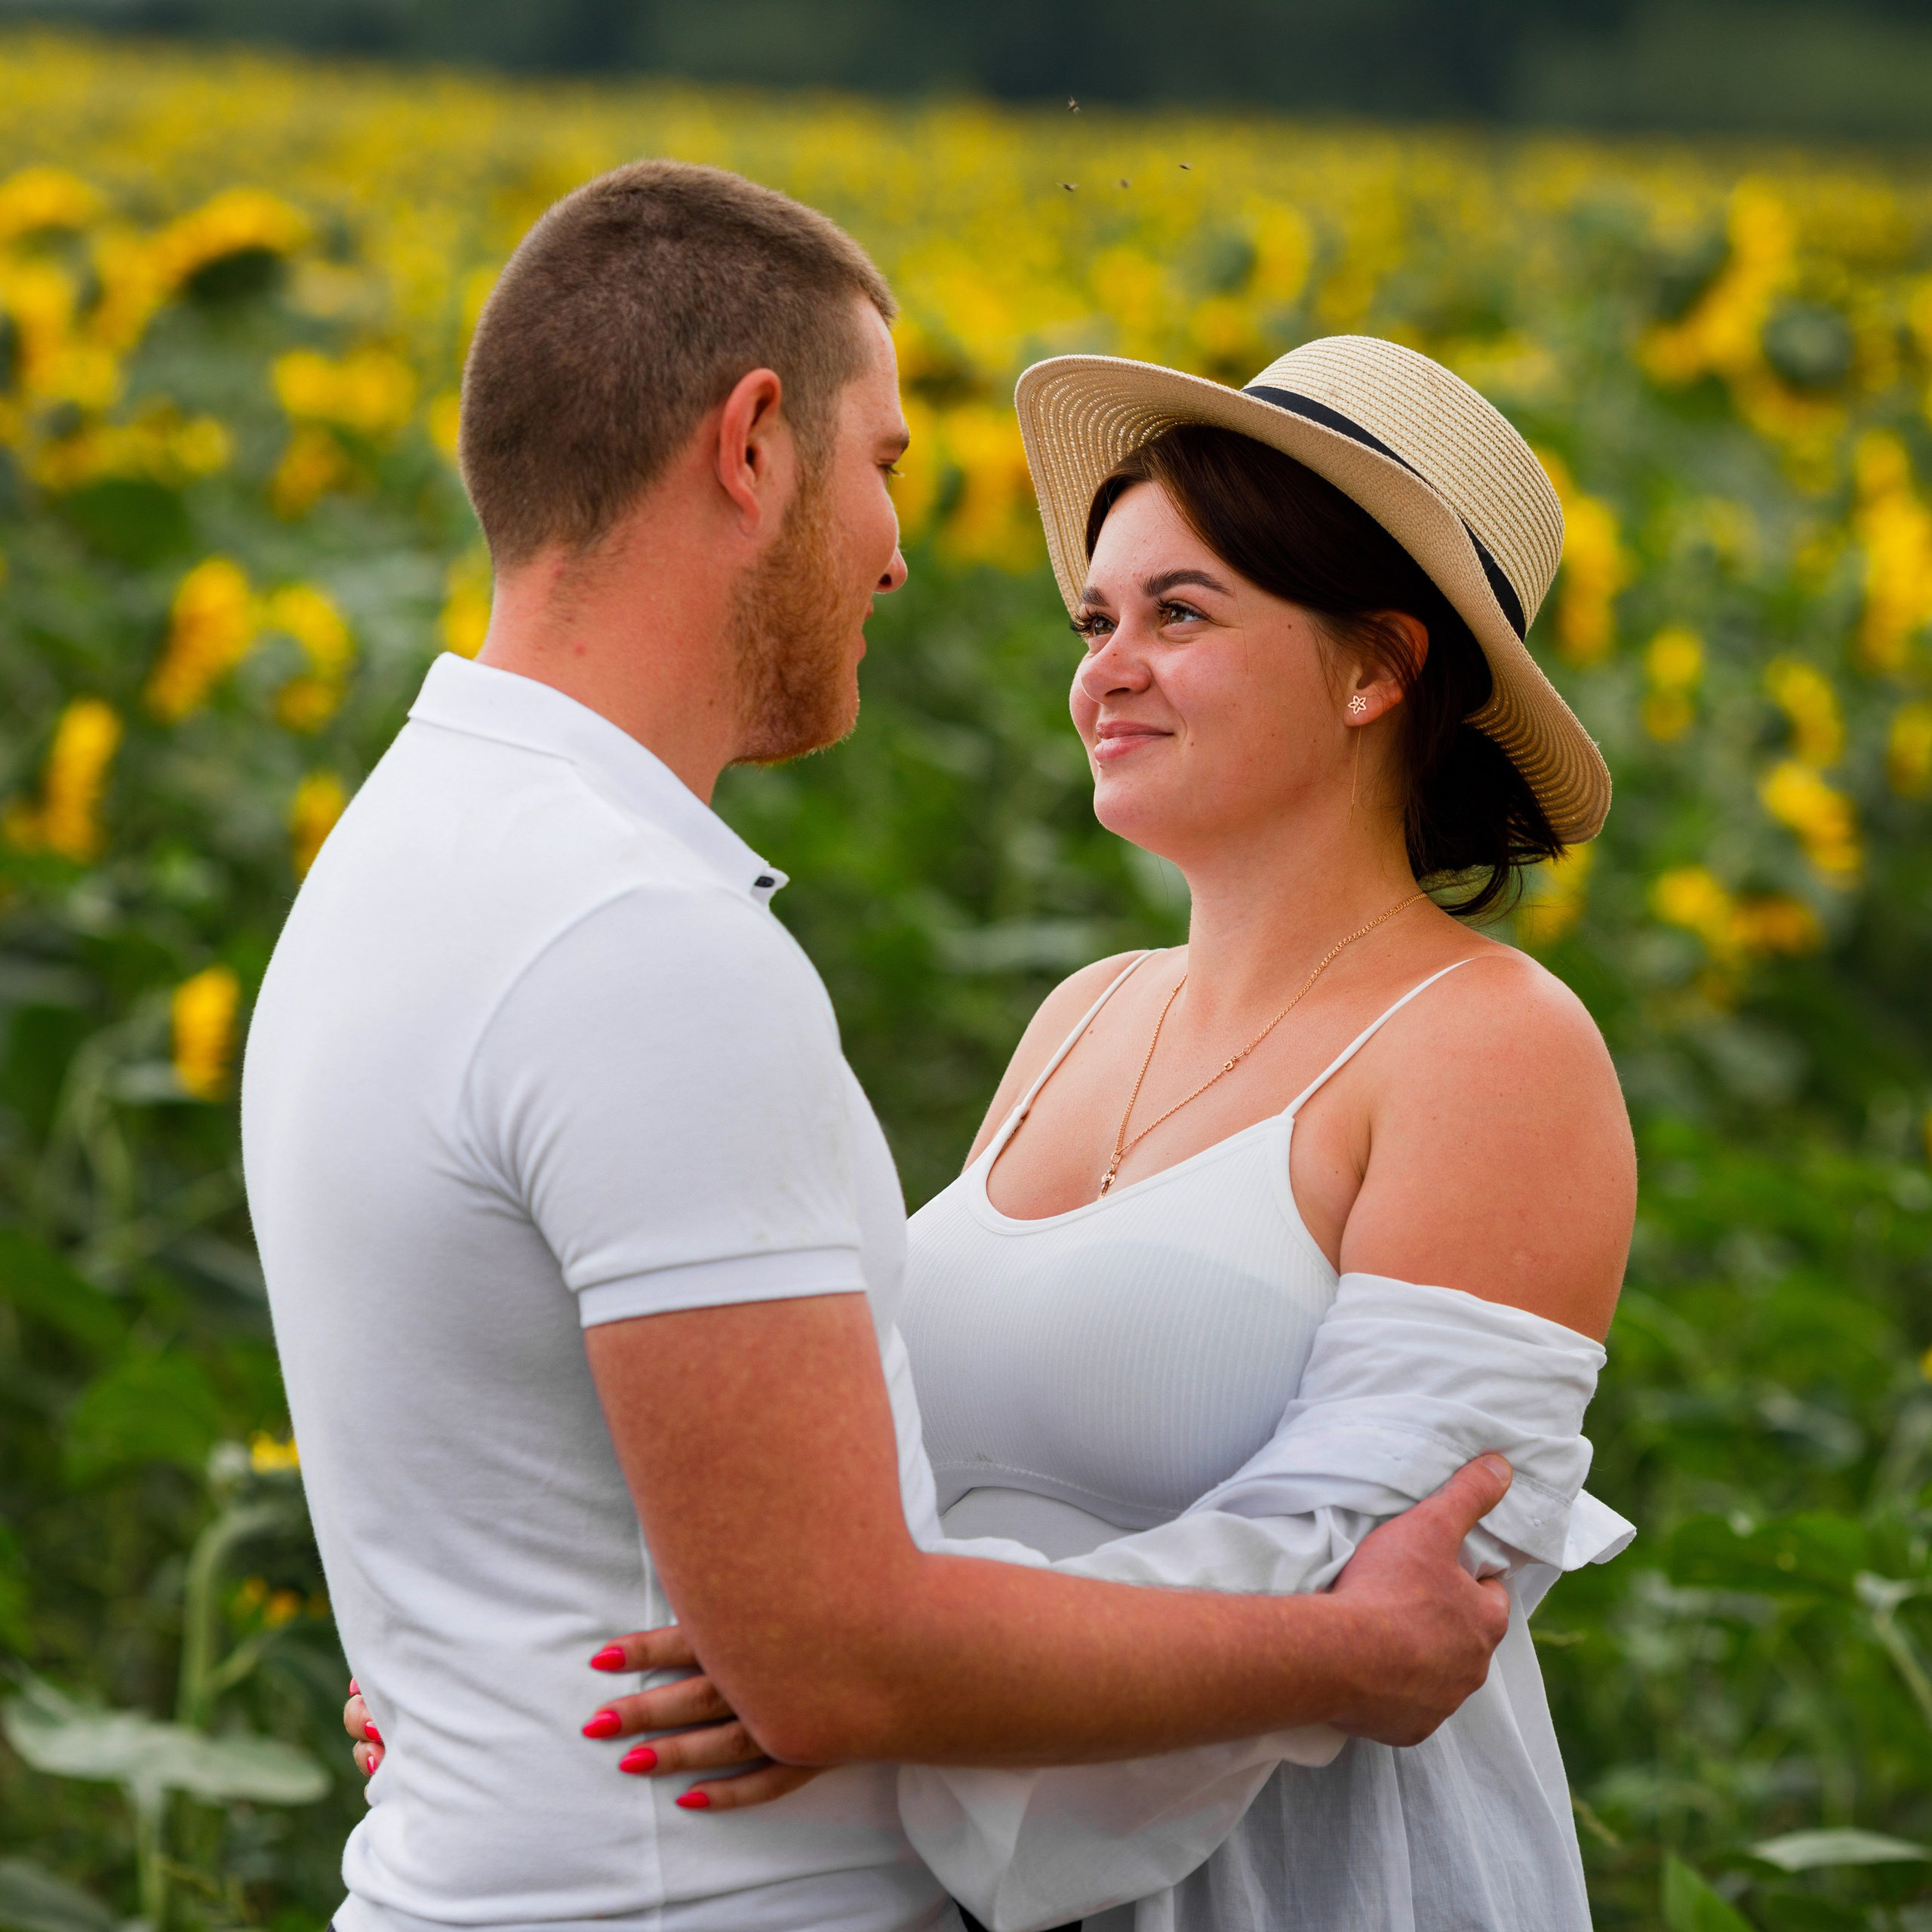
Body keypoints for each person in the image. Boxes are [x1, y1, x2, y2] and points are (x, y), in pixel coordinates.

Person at [248, 161, 1516, 1932]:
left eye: (1181, 609)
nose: (901, 551)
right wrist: (1342, 1648)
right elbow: (833, 1649)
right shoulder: (638, 938)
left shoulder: (401, 854)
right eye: (885, 466)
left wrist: (497, 1672)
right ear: (753, 442)